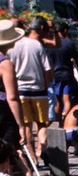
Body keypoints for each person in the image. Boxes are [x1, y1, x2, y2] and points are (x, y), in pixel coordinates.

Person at [10, 20, 51, 155]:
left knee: (26, 126)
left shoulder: (10, 47)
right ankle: (43, 147)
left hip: (20, 90)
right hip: (39, 89)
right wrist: (46, 85)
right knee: (41, 124)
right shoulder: (36, 44)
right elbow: (47, 69)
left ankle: (32, 156)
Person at [0, 19, 26, 148]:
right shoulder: (5, 64)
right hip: (2, 112)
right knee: (6, 153)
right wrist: (21, 125)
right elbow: (12, 97)